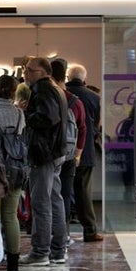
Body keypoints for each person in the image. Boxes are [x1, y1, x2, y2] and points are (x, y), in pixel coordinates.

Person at [18, 56, 69, 266]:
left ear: (43, 72)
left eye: (30, 70)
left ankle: (40, 251)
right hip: (55, 152)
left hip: (44, 153)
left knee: (41, 203)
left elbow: (48, 118)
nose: (25, 73)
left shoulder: (43, 89)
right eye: (25, 69)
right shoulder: (56, 89)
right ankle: (58, 250)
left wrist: (25, 113)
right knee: (55, 200)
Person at [0, 74, 25, 271]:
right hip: (16, 168)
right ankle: (13, 266)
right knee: (11, 216)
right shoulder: (19, 113)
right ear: (14, 92)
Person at [50, 59, 86, 249]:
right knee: (64, 195)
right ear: (64, 76)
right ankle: (64, 236)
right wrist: (78, 154)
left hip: (50, 155)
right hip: (70, 154)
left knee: (48, 196)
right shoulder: (75, 101)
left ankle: (50, 236)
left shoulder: (48, 97)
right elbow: (82, 129)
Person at [66, 63, 103, 242]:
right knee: (84, 193)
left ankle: (62, 232)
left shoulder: (62, 94)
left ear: (68, 77)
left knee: (62, 191)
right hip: (86, 150)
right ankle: (90, 230)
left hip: (64, 150)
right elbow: (95, 125)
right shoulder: (94, 97)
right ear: (84, 79)